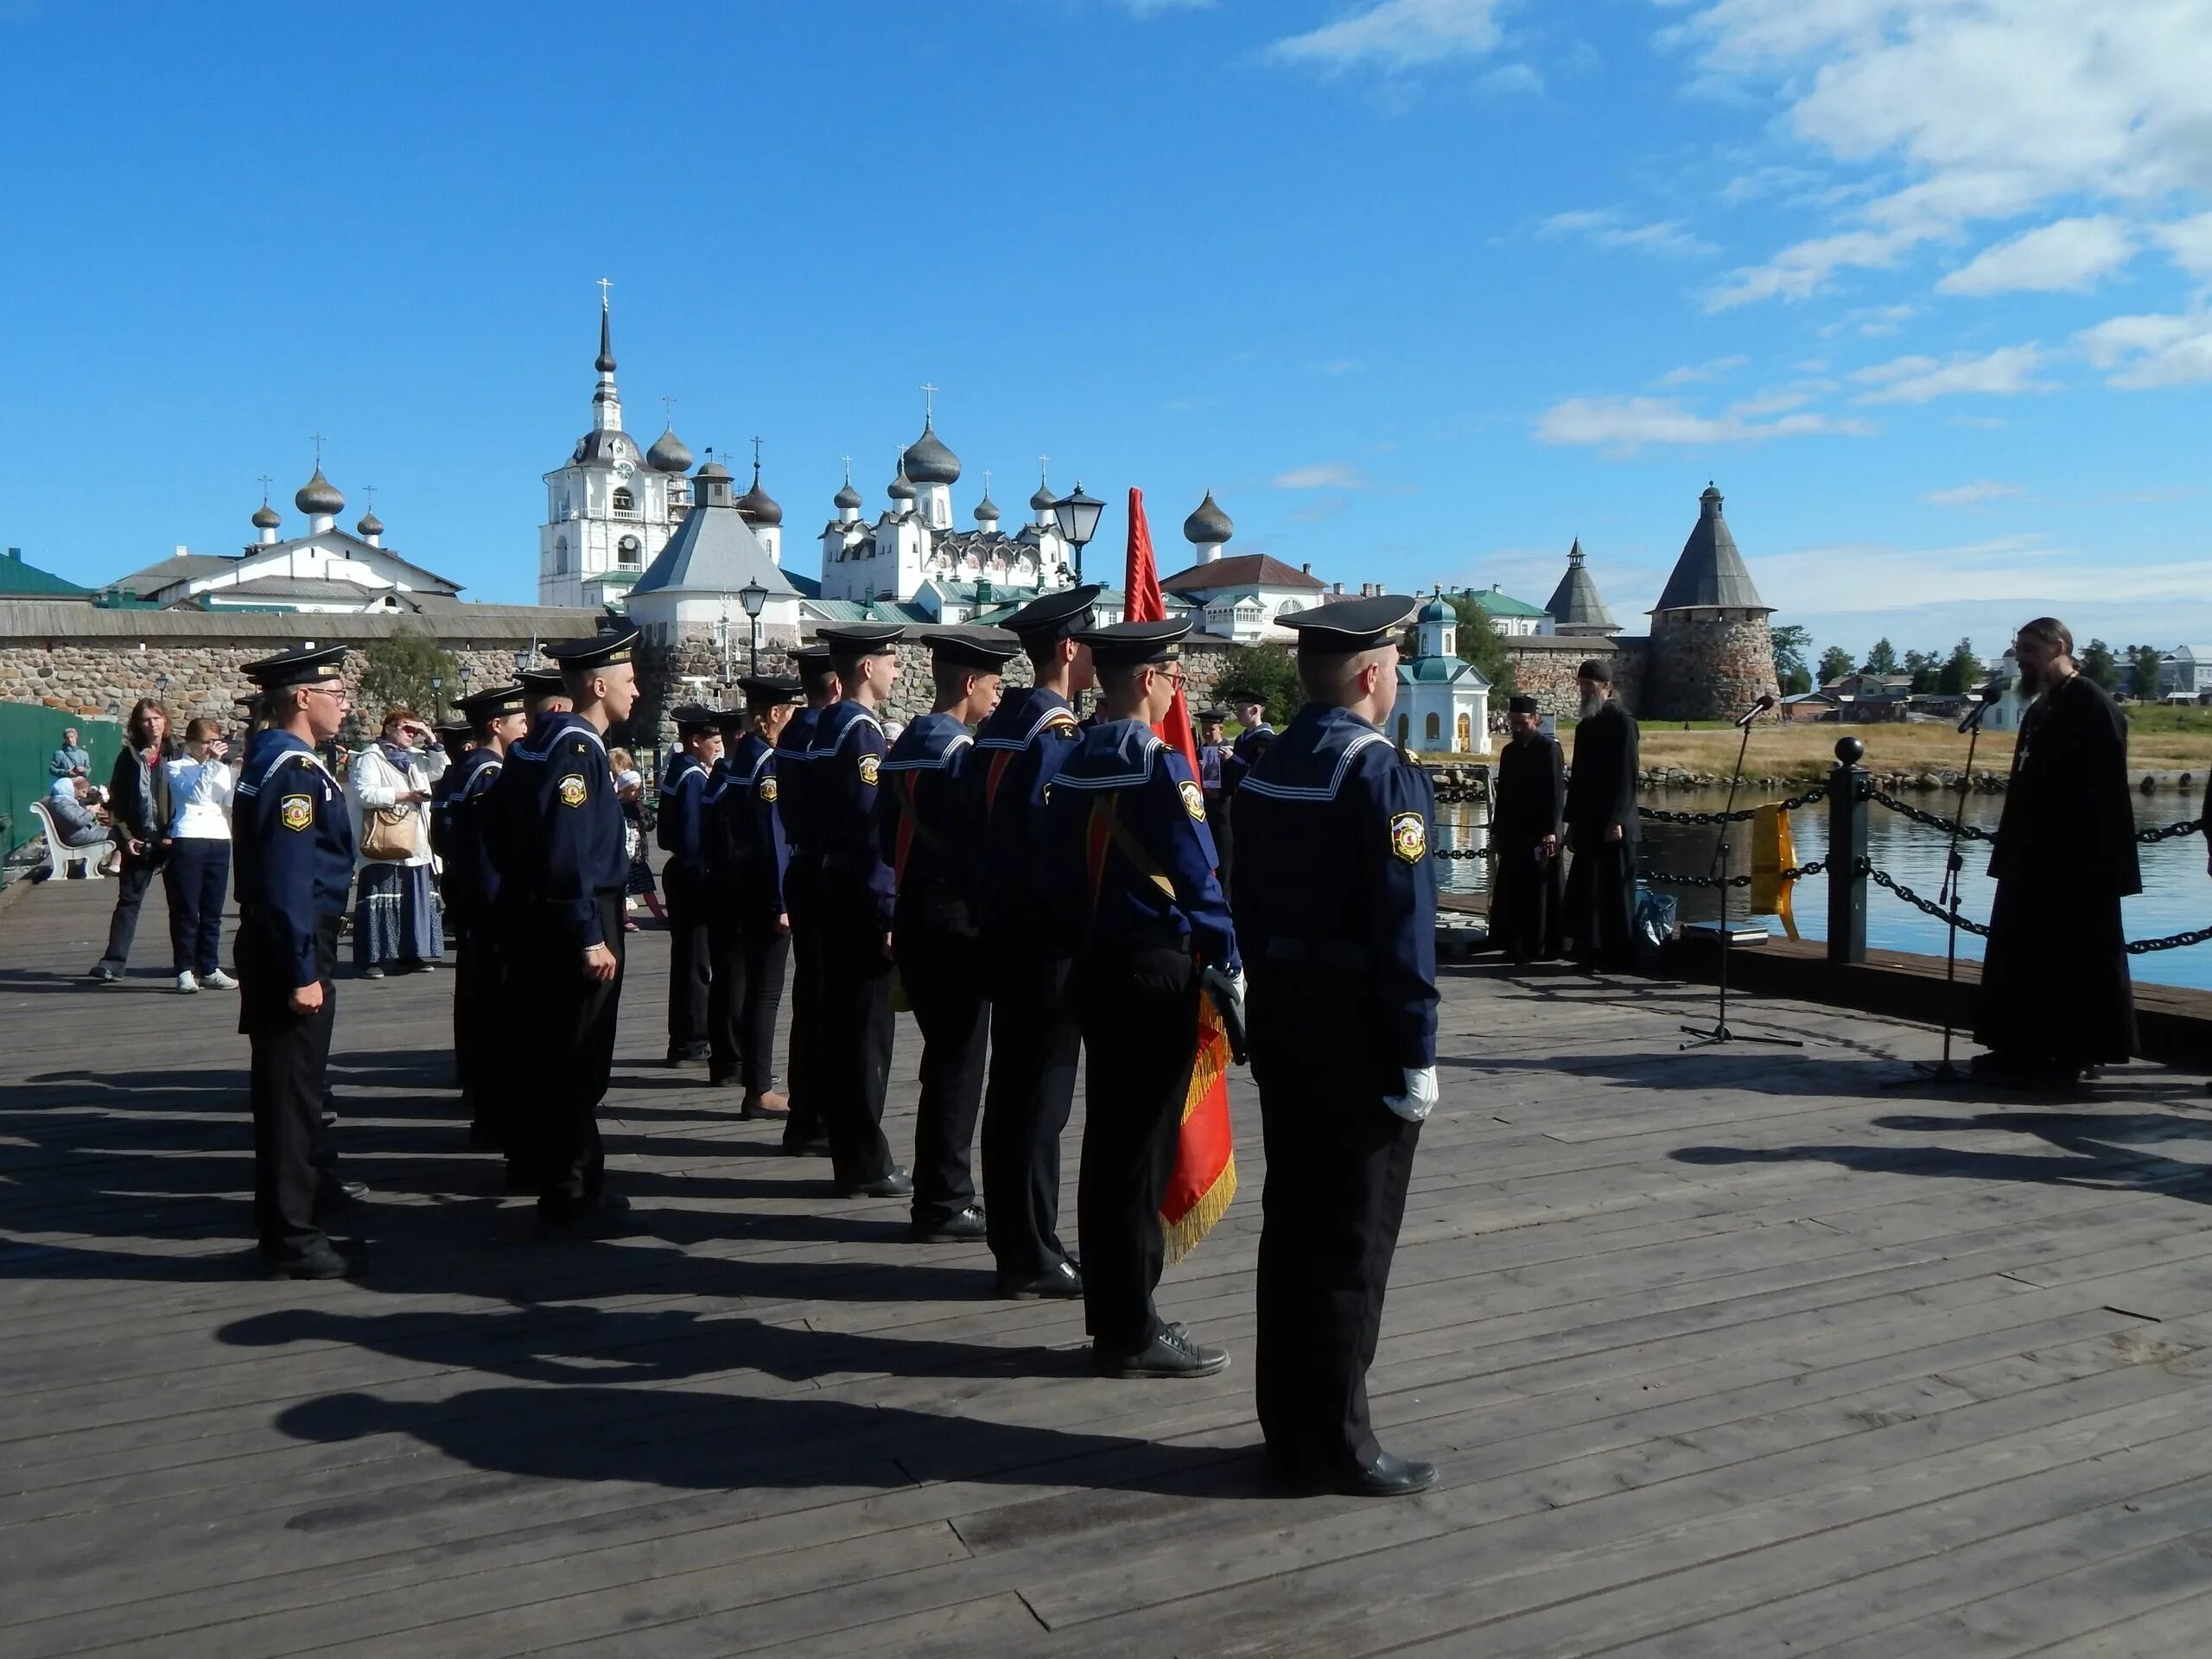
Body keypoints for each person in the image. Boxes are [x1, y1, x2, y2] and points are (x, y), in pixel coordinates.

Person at [1234, 594, 1441, 1497]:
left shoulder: (1270, 761)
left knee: (1292, 1231)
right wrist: (1417, 1048)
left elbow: (1241, 893)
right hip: (1357, 1030)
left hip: (1284, 1018)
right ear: (1368, 673)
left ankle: (1288, 1424)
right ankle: (1339, 1441)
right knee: (1352, 1239)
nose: (1393, 677)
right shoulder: (1379, 772)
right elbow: (1404, 928)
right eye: (1392, 664)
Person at [1040, 616, 1238, 1378]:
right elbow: (1199, 876)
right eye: (1173, 675)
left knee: (1107, 1144)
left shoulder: (1068, 761)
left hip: (1092, 965)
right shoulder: (1161, 767)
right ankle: (1133, 1327)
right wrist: (1229, 961)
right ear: (1149, 680)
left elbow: (1055, 875)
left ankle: (1115, 1313)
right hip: (1156, 970)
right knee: (1142, 1149)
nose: (1175, 689)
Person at [966, 583, 1101, 1300]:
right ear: (1070, 650)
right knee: (1039, 1100)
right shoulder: (1053, 736)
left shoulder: (1000, 724)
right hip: (1042, 940)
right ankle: (1032, 1249)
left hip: (997, 928)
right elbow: (1058, 850)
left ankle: (1015, 1240)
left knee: (1011, 1089)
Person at [485, 626, 640, 1232]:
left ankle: (556, 1172)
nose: (637, 691)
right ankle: (574, 1189)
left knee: (547, 1046)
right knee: (578, 1056)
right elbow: (570, 847)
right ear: (599, 686)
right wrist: (587, 932)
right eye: (629, 681)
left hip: (539, 911)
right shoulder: (577, 746)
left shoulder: (535, 740)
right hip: (581, 911)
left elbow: (496, 824)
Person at [884, 626, 1017, 1243]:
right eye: (993, 683)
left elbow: (884, 837)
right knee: (959, 1066)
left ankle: (937, 1191)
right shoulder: (961, 755)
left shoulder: (905, 744)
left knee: (942, 1058)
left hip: (911, 913)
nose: (997, 694)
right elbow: (984, 843)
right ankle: (945, 1198)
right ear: (969, 684)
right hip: (956, 920)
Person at [232, 646, 359, 1278]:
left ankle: (296, 1220)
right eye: (336, 690)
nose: (345, 702)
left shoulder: (274, 760)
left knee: (291, 1091)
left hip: (285, 939)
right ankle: (292, 1238)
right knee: (291, 1095)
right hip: (294, 941)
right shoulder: (293, 771)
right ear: (302, 697)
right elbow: (287, 881)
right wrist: (302, 969)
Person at [1975, 617, 2140, 1084]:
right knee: (2026, 952)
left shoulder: (2091, 703)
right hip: (2032, 857)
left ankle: (2072, 1050)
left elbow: (2105, 791)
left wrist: (2092, 857)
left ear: (2058, 646)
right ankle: (2022, 1044)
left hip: (2076, 861)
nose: (2021, 657)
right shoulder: (2040, 706)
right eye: (2018, 648)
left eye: (2028, 648)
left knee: (2073, 956)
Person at [802, 622, 911, 1198]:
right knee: (867, 1033)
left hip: (827, 884)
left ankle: (852, 1150)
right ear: (866, 668)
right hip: (859, 894)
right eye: (891, 661)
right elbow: (872, 831)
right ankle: (866, 1157)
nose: (897, 671)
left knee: (843, 1026)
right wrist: (889, 909)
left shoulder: (823, 726)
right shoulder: (862, 732)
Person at [703, 680, 799, 1115]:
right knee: (765, 993)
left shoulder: (739, 757)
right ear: (776, 714)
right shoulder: (768, 762)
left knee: (744, 985)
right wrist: (782, 902)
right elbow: (773, 837)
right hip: (764, 890)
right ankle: (759, 1088)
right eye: (791, 708)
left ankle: (749, 1075)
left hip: (736, 883)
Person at [444, 683, 528, 1155]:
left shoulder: (465, 770)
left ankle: (478, 1091)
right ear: (497, 726)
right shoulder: (492, 773)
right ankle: (491, 1111)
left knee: (476, 1003)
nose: (526, 728)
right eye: (519, 721)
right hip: (492, 908)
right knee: (496, 1013)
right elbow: (490, 850)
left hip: (470, 903)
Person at [774, 645, 841, 1158]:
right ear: (838, 685)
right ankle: (822, 1119)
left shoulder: (793, 731)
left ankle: (805, 1116)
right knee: (834, 1007)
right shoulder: (834, 732)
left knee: (809, 1000)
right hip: (829, 870)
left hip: (801, 865)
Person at [346, 708, 448, 978]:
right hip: (385, 837)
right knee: (382, 896)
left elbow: (441, 768)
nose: (410, 733)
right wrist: (404, 795)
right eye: (405, 727)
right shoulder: (371, 756)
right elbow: (364, 794)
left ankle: (413, 953)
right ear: (388, 728)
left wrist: (428, 734)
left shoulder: (416, 757)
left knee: (416, 898)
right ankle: (373, 959)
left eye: (413, 729)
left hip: (416, 840)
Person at [87, 698, 173, 983]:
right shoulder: (129, 757)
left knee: (184, 905)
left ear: (165, 721)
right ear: (138, 724)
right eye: (146, 719)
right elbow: (117, 803)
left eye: (157, 718)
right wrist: (126, 838)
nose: (152, 724)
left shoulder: (176, 755)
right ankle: (113, 962)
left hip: (173, 840)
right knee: (128, 902)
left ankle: (188, 962)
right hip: (139, 839)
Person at [1562, 660, 1639, 971]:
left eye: (1588, 685)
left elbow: (1627, 776)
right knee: (1587, 889)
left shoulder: (1624, 723)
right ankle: (1588, 953)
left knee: (1615, 893)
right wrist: (1570, 824)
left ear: (1605, 686)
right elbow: (1578, 778)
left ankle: (1618, 956)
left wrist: (1617, 819)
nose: (1583, 690)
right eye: (1580, 684)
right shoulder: (1586, 726)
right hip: (1588, 822)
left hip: (1614, 822)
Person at [658, 708, 721, 1064]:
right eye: (713, 742)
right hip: (694, 874)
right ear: (696, 741)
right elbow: (695, 835)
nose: (718, 749)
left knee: (685, 959)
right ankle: (694, 1038)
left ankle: (683, 1035)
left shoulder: (677, 770)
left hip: (677, 869)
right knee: (697, 962)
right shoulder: (695, 777)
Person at [162, 718, 240, 994]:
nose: (210, 747)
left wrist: (236, 772)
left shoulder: (220, 766)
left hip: (218, 836)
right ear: (191, 742)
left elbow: (228, 802)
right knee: (187, 908)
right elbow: (194, 796)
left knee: (212, 909)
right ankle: (185, 969)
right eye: (206, 742)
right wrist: (212, 764)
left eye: (214, 742)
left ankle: (209, 967)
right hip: (189, 835)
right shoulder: (176, 767)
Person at [1488, 694, 1566, 965]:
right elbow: (1504, 795)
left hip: (1539, 830)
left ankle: (1540, 945)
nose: (1517, 728)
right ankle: (1514, 942)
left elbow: (1556, 794)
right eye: (1514, 723)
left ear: (1535, 720)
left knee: (1539, 891)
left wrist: (1552, 831)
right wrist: (1497, 832)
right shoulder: (1509, 752)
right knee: (1513, 890)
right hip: (1513, 832)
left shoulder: (1548, 749)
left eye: (1522, 723)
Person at [610, 747, 665, 929]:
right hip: (622, 857)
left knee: (647, 887)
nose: (637, 794)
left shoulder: (639, 808)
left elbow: (650, 825)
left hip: (638, 857)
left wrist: (642, 810)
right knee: (622, 889)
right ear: (624, 790)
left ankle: (659, 915)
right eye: (633, 790)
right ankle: (625, 919)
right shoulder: (617, 808)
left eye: (639, 790)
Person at [45, 775, 111, 852]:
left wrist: (86, 808)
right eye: (83, 792)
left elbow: (72, 814)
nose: (85, 795)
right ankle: (115, 863)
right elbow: (79, 821)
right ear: (72, 788)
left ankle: (115, 862)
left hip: (81, 833)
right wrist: (92, 811)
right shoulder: (62, 803)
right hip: (79, 836)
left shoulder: (62, 800)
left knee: (117, 832)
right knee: (118, 835)